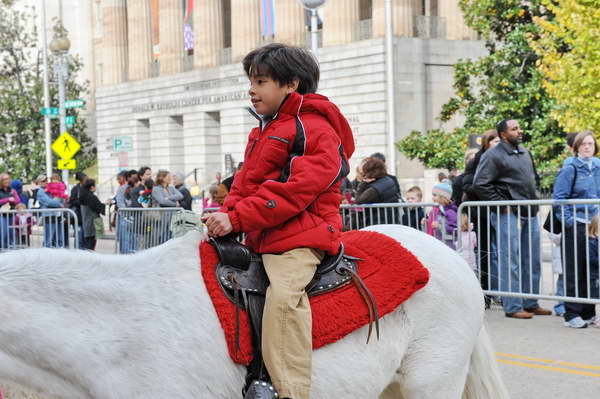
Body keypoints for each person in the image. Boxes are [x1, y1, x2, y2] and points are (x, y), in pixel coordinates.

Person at [202, 43, 354, 399]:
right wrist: (227, 215)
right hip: (264, 234)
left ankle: (290, 389)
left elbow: (295, 191)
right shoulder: (264, 130)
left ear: (291, 84)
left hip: (302, 237)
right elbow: (243, 184)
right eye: (251, 81)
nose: (251, 90)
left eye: (261, 81)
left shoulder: (315, 128)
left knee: (285, 297)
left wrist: (237, 217)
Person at [473, 119, 551, 319]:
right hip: (508, 213)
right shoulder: (493, 155)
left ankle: (530, 302)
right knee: (511, 260)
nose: (519, 131)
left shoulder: (524, 152)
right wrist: (502, 203)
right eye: (514, 129)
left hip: (529, 211)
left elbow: (532, 179)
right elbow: (480, 184)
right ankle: (513, 306)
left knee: (532, 259)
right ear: (503, 134)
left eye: (519, 127)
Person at [552, 130, 600, 328]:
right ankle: (571, 313)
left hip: (595, 225)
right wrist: (569, 223)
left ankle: (589, 312)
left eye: (591, 143)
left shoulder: (598, 166)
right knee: (574, 269)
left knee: (592, 270)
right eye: (584, 144)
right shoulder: (570, 168)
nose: (587, 147)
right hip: (577, 224)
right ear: (577, 147)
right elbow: (559, 200)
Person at [462, 129, 500, 305]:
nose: (497, 144)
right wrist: (486, 194)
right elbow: (466, 184)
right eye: (494, 141)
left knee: (501, 254)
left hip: (501, 212)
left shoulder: (505, 157)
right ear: (486, 143)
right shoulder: (478, 159)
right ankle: (485, 293)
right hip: (483, 213)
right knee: (484, 254)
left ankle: (501, 291)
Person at [354, 157, 401, 226]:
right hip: (389, 220)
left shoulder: (375, 188)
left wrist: (363, 183)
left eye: (364, 172)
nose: (363, 175)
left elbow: (359, 200)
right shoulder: (387, 179)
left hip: (378, 222)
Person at [151, 170, 183, 244]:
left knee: (170, 235)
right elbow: (162, 201)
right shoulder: (156, 189)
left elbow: (180, 195)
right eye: (168, 176)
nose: (170, 178)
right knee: (161, 235)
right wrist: (175, 204)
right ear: (162, 178)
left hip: (172, 216)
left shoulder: (171, 188)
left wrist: (169, 198)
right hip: (161, 216)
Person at [35, 175, 66, 248]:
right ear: (39, 182)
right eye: (43, 181)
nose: (46, 182)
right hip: (49, 216)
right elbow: (49, 202)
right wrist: (59, 204)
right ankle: (46, 254)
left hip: (57, 215)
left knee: (59, 238)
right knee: (48, 239)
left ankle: (59, 253)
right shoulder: (40, 192)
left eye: (46, 180)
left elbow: (62, 198)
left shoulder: (51, 189)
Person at [425, 182, 457, 249]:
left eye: (435, 195)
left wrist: (440, 226)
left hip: (449, 245)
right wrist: (426, 221)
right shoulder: (439, 209)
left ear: (443, 197)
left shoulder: (450, 211)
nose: (432, 198)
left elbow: (455, 229)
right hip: (440, 242)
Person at [79, 179, 105, 250]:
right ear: (91, 187)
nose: (95, 187)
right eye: (95, 186)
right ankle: (90, 258)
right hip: (92, 222)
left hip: (87, 222)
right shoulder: (91, 197)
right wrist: (106, 204)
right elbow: (98, 207)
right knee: (91, 243)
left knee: (89, 242)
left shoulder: (84, 195)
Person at [0, 173, 21, 249]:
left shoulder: (12, 190)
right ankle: (2, 250)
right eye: (5, 179)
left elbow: (18, 201)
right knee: (3, 233)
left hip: (12, 215)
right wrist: (7, 200)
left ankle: (11, 250)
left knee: (12, 233)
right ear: (1, 181)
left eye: (8, 179)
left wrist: (15, 198)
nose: (7, 181)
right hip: (2, 216)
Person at [69, 172, 88, 248]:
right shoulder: (75, 189)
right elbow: (72, 201)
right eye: (86, 179)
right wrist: (82, 201)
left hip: (87, 218)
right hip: (78, 218)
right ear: (81, 180)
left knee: (86, 239)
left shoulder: (88, 188)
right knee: (79, 239)